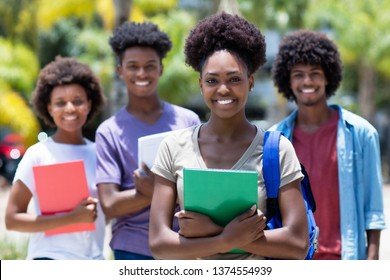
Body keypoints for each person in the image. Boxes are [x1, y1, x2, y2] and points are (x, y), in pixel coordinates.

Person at [149, 12, 309, 260]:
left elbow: (298, 243)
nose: (223, 89)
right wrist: (226, 239)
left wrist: (216, 234)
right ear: (200, 84)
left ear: (251, 82)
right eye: (212, 80)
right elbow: (159, 243)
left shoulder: (277, 149)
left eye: (234, 79)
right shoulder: (173, 147)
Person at [270, 29, 387, 259]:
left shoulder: (362, 134)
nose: (307, 81)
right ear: (288, 80)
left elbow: (373, 211)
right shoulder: (275, 139)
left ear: (327, 77)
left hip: (345, 258)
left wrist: (371, 266)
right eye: (298, 74)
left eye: (315, 73)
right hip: (294, 260)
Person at [95, 21, 201, 260]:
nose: (142, 74)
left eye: (149, 66)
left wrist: (152, 191)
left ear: (160, 69)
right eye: (133, 66)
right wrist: (155, 193)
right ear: (120, 70)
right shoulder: (108, 131)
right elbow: (109, 204)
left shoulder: (188, 121)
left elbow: (200, 188)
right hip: (132, 247)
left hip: (182, 244)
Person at [5, 56, 107, 260]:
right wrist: (71, 218)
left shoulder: (101, 153)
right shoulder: (38, 154)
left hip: (93, 260)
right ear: (49, 108)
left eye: (78, 101)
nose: (70, 108)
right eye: (60, 103)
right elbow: (12, 219)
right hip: (50, 259)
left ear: (89, 104)